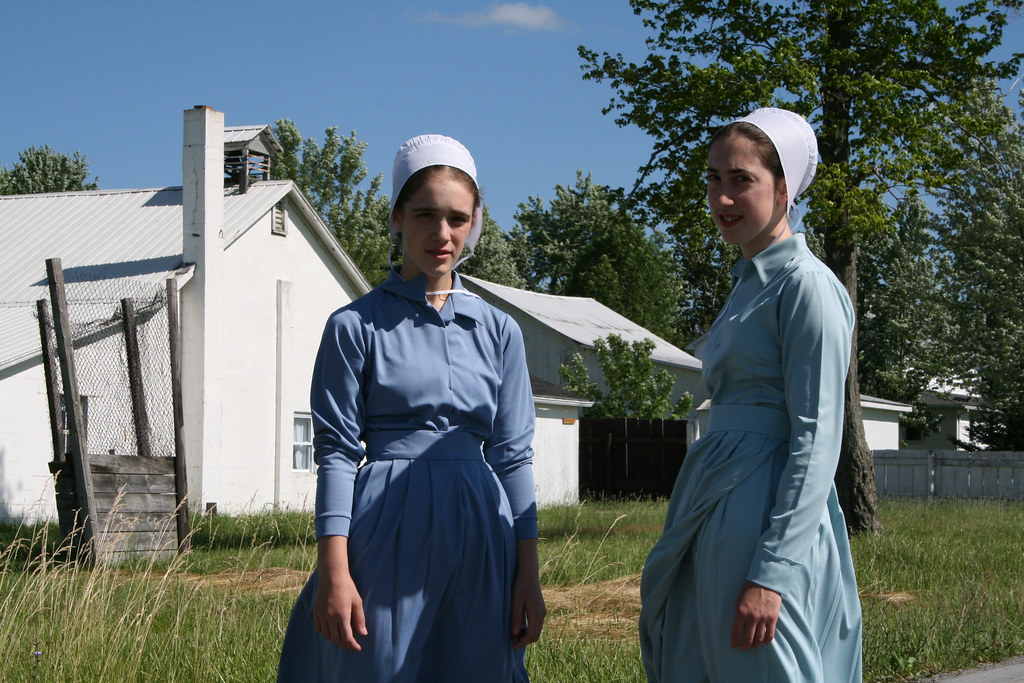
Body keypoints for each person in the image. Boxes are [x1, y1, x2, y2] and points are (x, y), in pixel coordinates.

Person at [278, 134, 545, 682]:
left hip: (481, 529)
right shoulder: (354, 326)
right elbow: (333, 452)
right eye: (425, 215)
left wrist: (528, 573)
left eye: (457, 218)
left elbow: (514, 457)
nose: (441, 234)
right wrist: (334, 570)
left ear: (474, 224)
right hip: (384, 527)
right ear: (398, 217)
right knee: (378, 668)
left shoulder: (499, 330)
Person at [638, 108, 863, 682]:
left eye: (742, 180)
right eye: (714, 179)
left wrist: (773, 572)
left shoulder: (807, 287)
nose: (723, 197)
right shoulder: (748, 284)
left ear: (784, 188)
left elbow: (817, 439)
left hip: (763, 510)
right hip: (715, 495)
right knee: (697, 657)